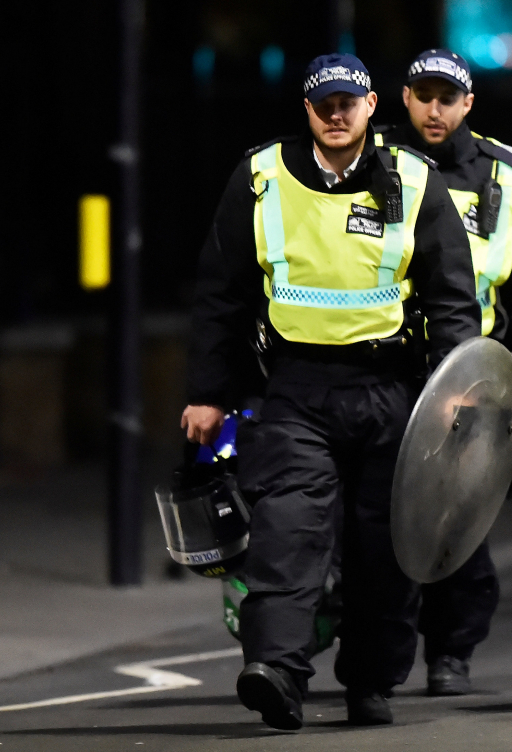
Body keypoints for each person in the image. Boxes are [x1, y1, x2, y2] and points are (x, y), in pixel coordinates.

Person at [181, 53, 480, 730]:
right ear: (307, 109)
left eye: (349, 103)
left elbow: (451, 297)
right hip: (296, 389)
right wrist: (208, 392)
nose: (337, 115)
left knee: (384, 545)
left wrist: (457, 388)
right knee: (288, 531)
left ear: (373, 105)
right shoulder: (260, 178)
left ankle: (371, 679)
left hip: (391, 389)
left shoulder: (413, 179)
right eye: (325, 105)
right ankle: (276, 671)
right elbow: (221, 296)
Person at [378, 48, 512, 696]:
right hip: (388, 367)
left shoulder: (506, 175)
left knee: (459, 517)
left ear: (468, 104)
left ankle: (451, 650)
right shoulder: (372, 160)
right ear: (404, 98)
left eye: (448, 98)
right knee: (382, 516)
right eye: (424, 95)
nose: (435, 110)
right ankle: (383, 650)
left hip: (471, 374)